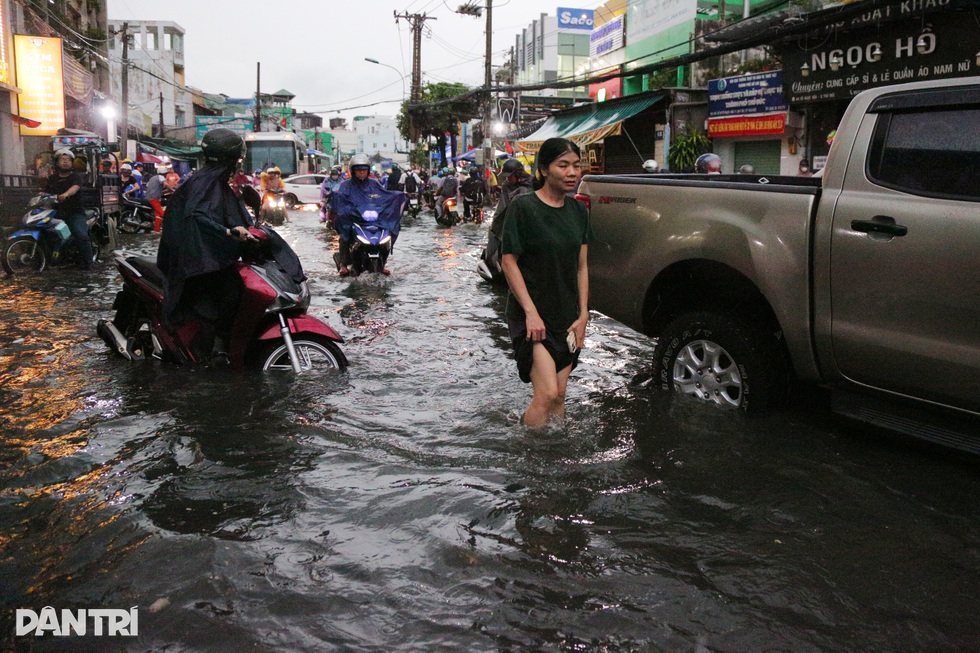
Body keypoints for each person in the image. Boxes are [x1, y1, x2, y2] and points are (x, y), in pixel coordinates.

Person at [500, 137, 593, 428]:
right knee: (547, 394)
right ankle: (526, 450)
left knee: (560, 395)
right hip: (531, 315)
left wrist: (583, 314)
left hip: (566, 316)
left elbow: (582, 267)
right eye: (562, 165)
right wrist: (530, 313)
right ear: (543, 169)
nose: (572, 172)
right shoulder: (523, 207)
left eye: (576, 165)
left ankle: (555, 451)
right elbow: (508, 262)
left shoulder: (579, 211)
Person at [157, 127, 256, 363]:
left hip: (209, 256)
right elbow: (197, 216)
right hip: (197, 262)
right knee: (224, 299)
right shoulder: (206, 183)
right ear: (230, 161)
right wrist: (227, 231)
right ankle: (206, 356)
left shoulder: (215, 182)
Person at [331, 153, 404, 276]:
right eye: (358, 169)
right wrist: (349, 210)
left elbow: (384, 197)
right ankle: (343, 264)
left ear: (368, 170)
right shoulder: (345, 185)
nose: (361, 172)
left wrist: (398, 196)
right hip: (353, 219)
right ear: (353, 171)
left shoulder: (374, 184)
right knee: (344, 236)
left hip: (373, 220)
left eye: (364, 169)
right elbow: (340, 202)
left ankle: (383, 264)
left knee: (387, 234)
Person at [45, 148, 94, 270]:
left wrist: (66, 194)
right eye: (62, 159)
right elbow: (46, 192)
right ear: (57, 162)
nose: (65, 162)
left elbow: (75, 187)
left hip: (75, 213)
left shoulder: (76, 177)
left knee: (80, 235)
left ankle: (89, 263)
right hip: (56, 212)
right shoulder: (52, 178)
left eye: (68, 160)